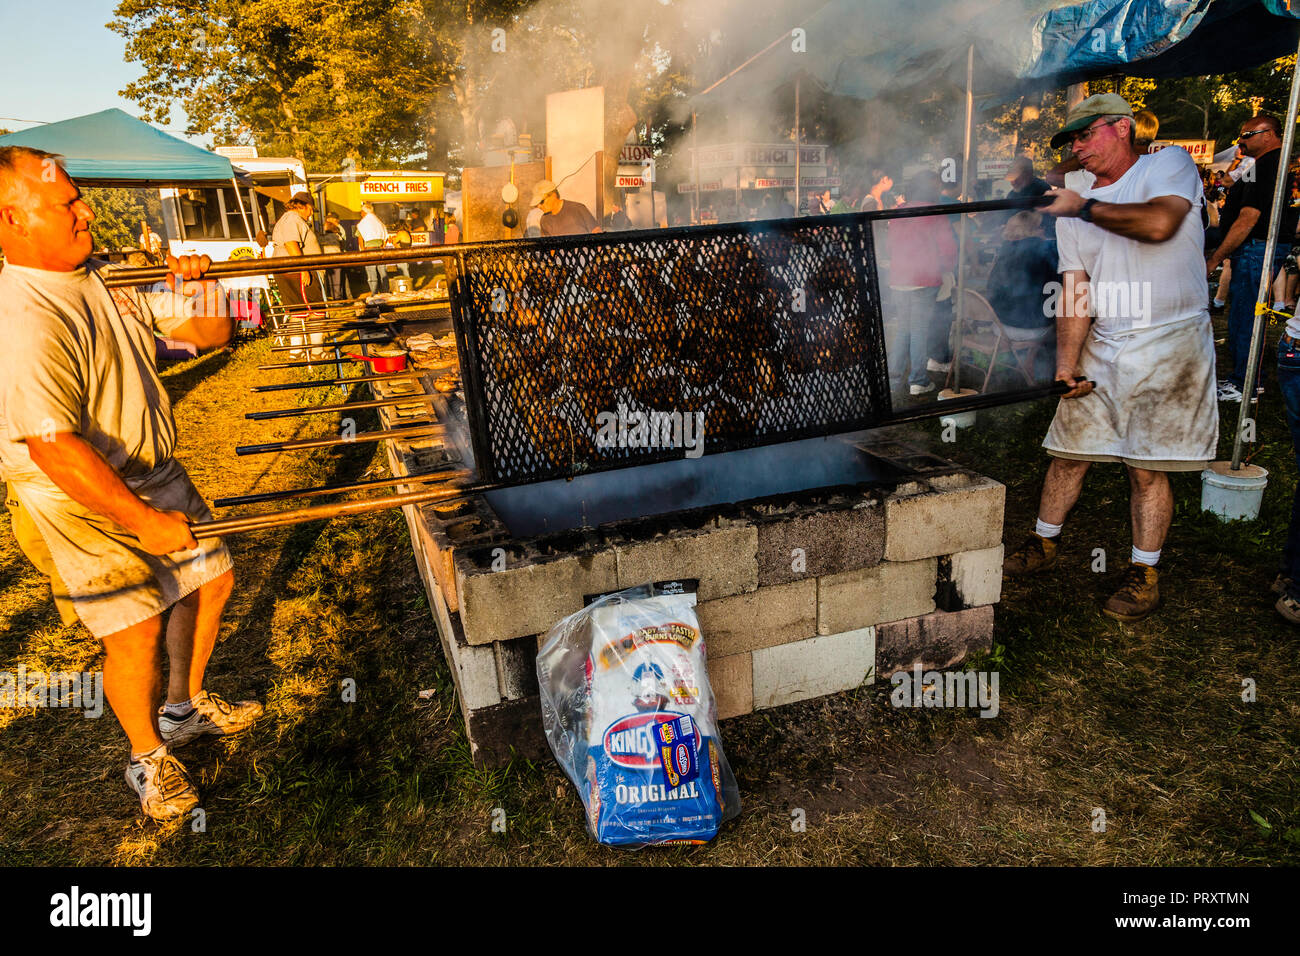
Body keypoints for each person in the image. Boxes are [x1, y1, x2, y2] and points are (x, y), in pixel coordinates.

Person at [0, 145, 261, 821]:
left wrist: (200, 285)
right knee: (134, 624)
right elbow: (54, 447)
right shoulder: (24, 319)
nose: (87, 211)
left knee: (211, 579)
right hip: (71, 489)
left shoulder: (102, 275)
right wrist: (145, 525)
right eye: (67, 204)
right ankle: (148, 758)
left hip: (148, 467)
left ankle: (182, 709)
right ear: (12, 219)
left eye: (79, 196)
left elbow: (211, 334)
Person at [1005, 93, 1217, 622]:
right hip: (1106, 335)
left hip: (1171, 336)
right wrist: (1065, 363)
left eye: (1086, 134)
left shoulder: (1166, 164)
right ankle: (1043, 543)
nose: (1077, 146)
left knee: (1145, 466)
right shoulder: (1072, 196)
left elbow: (1159, 225)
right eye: (1070, 140)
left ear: (1122, 128)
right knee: (1068, 450)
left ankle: (1144, 571)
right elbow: (1075, 288)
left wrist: (1083, 205)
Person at [1207, 115, 1298, 403]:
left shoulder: (1273, 164)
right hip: (1256, 247)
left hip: (1258, 246)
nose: (1241, 140)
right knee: (1244, 315)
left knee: (1247, 317)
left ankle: (1247, 384)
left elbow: (1249, 217)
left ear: (1269, 134)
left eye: (1247, 134)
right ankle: (1243, 378)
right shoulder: (1266, 165)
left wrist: (1216, 257)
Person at [884, 170, 957, 397]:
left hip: (899, 278)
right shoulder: (935, 213)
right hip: (924, 279)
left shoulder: (899, 211)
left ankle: (894, 380)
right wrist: (946, 267)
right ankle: (918, 380)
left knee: (904, 329)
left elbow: (890, 245)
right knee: (918, 330)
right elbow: (948, 250)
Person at [985, 210, 1059, 378]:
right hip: (1030, 330)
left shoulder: (1003, 251)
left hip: (999, 327)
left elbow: (991, 290)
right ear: (1034, 229)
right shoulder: (1046, 251)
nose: (1044, 230)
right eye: (1042, 227)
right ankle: (1051, 372)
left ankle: (1023, 362)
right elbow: (1060, 284)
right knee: (1066, 320)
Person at [270, 191, 324, 309]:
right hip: (296, 271)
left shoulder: (290, 219)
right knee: (315, 310)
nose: (310, 213)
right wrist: (303, 269)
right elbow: (290, 243)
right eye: (310, 209)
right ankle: (314, 328)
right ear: (301, 206)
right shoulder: (292, 219)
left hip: (292, 269)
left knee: (300, 310)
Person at [531, 180, 599, 237]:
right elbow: (550, 248)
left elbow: (597, 233)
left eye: (542, 202)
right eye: (536, 205)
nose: (539, 206)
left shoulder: (578, 209)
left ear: (553, 195)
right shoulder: (544, 221)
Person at [356, 200, 389, 294]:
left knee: (371, 273)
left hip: (369, 250)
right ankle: (386, 291)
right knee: (383, 272)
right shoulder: (378, 221)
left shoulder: (362, 223)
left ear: (365, 212)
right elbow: (386, 237)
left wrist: (363, 251)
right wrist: (382, 247)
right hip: (379, 249)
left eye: (361, 212)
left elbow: (360, 238)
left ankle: (374, 293)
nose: (361, 214)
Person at [319, 211, 346, 299]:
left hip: (327, 260)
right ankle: (338, 297)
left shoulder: (323, 237)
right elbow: (342, 245)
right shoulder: (337, 236)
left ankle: (334, 297)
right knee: (337, 280)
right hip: (337, 259)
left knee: (330, 280)